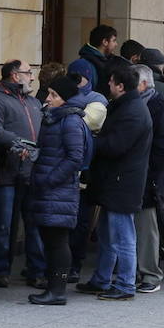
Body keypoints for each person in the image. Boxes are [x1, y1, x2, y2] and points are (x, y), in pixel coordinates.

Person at [77, 65, 152, 301]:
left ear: (120, 86)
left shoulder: (133, 111)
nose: (107, 85)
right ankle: (101, 279)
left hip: (123, 181)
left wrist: (91, 141)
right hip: (115, 180)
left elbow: (116, 145)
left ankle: (125, 284)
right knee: (108, 234)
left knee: (123, 235)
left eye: (111, 82)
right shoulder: (126, 106)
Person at [27, 75, 88, 305]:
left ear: (65, 99)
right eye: (49, 93)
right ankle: (54, 288)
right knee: (51, 239)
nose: (48, 98)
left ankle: (57, 290)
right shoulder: (53, 118)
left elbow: (74, 158)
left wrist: (49, 180)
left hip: (58, 190)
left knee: (57, 240)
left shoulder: (70, 120)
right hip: (49, 188)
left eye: (54, 95)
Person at [0, 60, 45, 290]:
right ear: (15, 76)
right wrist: (19, 143)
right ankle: (1, 270)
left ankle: (36, 271)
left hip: (31, 172)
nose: (32, 77)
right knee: (4, 225)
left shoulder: (33, 101)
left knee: (34, 224)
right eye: (28, 73)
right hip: (7, 172)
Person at [132, 65, 164, 293]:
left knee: (147, 228)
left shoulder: (157, 107)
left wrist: (150, 174)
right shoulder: (136, 104)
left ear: (143, 84)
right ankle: (134, 272)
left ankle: (150, 274)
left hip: (148, 179)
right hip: (134, 177)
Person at [65, 73, 108, 283]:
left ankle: (74, 264)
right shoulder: (62, 98)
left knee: (80, 222)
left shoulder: (97, 101)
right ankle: (68, 265)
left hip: (84, 173)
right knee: (70, 222)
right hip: (73, 174)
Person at [68, 25, 118, 98]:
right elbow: (77, 96)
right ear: (105, 42)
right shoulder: (82, 65)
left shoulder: (108, 61)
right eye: (114, 40)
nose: (116, 44)